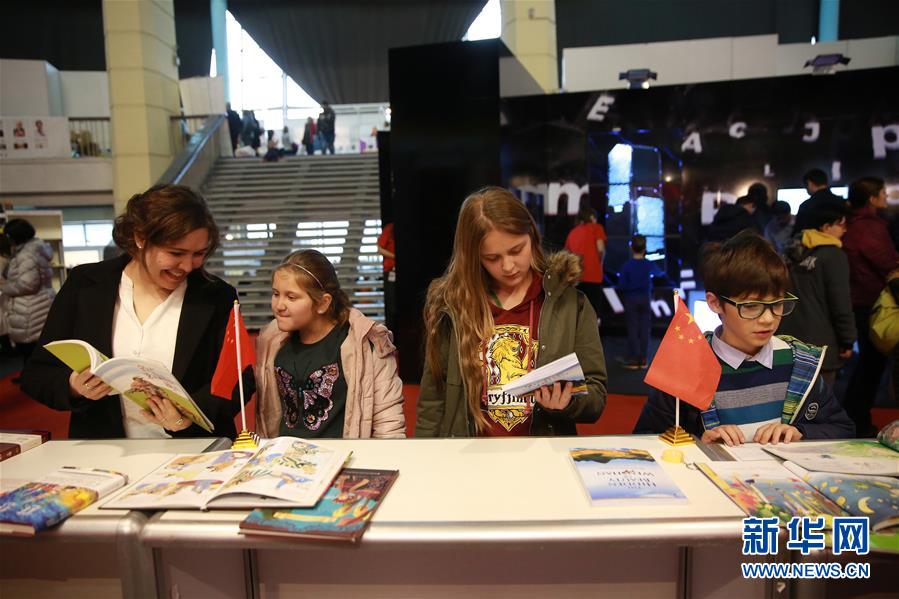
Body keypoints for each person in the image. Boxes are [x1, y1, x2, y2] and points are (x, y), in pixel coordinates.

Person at [20, 185, 255, 439]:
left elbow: (239, 381)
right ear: (140, 238)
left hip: (191, 449)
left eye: (199, 254)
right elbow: (37, 374)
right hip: (105, 448)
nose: (188, 266)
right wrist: (74, 386)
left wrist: (187, 418)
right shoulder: (85, 285)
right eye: (176, 253)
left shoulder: (217, 296)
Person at [415, 186, 607, 437]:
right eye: (492, 258)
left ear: (532, 235)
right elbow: (433, 403)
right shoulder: (453, 306)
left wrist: (569, 401)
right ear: (474, 257)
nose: (508, 266)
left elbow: (596, 395)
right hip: (470, 453)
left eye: (516, 250)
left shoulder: (571, 304)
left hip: (543, 452)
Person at [634, 231, 854, 445]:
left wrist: (801, 433)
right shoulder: (686, 366)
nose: (768, 319)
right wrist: (698, 443)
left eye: (777, 304)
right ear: (715, 303)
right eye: (751, 306)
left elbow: (843, 428)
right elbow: (645, 440)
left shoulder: (800, 363)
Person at [255, 249, 405, 438]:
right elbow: (266, 415)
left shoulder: (365, 343)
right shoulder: (270, 341)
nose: (279, 306)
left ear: (323, 303)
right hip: (285, 454)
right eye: (276, 294)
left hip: (342, 454)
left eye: (291, 297)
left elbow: (388, 423)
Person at [841, 177, 899, 437]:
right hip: (873, 304)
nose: (886, 197)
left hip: (862, 303)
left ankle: (855, 417)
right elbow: (888, 263)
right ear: (872, 198)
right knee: (871, 368)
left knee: (868, 367)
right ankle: (857, 420)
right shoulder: (869, 228)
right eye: (882, 193)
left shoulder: (854, 224)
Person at [779, 199, 856, 386]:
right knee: (819, 400)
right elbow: (840, 303)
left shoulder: (791, 250)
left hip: (786, 342)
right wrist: (847, 340)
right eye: (841, 224)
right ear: (826, 226)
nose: (845, 230)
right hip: (820, 345)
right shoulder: (833, 255)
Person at [0, 219, 56, 365]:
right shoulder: (34, 249)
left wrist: (4, 286)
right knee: (34, 352)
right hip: (36, 304)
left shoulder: (26, 254)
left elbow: (28, 284)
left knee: (31, 352)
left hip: (30, 308)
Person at [616, 234, 669, 370]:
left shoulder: (626, 266)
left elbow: (621, 285)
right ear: (645, 248)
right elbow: (660, 273)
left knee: (633, 328)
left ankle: (634, 358)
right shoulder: (648, 264)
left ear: (631, 247)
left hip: (631, 299)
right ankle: (644, 358)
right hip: (645, 298)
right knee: (645, 328)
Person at [564, 204, 607, 322]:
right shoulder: (597, 227)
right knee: (593, 314)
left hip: (576, 278)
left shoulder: (572, 232)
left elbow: (566, 255)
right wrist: (600, 263)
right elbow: (601, 249)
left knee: (578, 315)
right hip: (594, 276)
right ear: (592, 217)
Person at [793, 168, 844, 235]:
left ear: (809, 183)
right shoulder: (842, 202)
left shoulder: (805, 206)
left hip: (813, 241)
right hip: (838, 240)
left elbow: (798, 233)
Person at [376, 221, 396, 334]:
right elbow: (379, 248)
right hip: (390, 271)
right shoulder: (390, 228)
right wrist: (395, 256)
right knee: (391, 304)